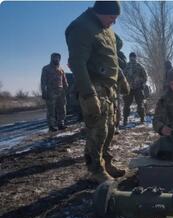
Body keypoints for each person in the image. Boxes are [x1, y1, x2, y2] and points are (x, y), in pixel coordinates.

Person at [65, 0, 126, 183]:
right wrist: (88, 95)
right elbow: (77, 63)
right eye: (111, 18)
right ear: (100, 12)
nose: (113, 22)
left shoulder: (106, 29)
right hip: (94, 88)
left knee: (110, 128)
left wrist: (121, 79)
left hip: (109, 88)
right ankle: (96, 170)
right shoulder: (81, 27)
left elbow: (112, 57)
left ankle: (105, 162)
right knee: (98, 130)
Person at [40, 53, 68, 132]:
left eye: (58, 58)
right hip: (51, 91)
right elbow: (43, 81)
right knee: (51, 110)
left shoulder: (61, 69)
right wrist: (44, 91)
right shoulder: (46, 68)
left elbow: (64, 80)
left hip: (61, 91)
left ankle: (61, 124)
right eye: (55, 57)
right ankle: (51, 126)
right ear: (51, 58)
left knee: (62, 109)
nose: (56, 59)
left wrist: (66, 89)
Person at [123, 52, 147, 124]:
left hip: (138, 88)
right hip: (128, 88)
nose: (132, 58)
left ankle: (142, 119)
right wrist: (124, 86)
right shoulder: (126, 66)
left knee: (140, 104)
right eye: (131, 57)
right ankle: (125, 119)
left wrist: (140, 82)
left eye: (133, 57)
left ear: (135, 57)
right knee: (126, 104)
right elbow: (123, 77)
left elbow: (145, 77)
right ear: (129, 57)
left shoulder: (139, 66)